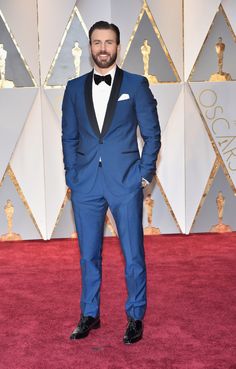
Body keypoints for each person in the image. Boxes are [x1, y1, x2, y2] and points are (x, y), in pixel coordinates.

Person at [62, 21, 161, 344]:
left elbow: (152, 135)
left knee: (133, 254)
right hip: (86, 185)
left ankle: (135, 316)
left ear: (118, 47)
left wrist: (143, 175)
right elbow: (69, 136)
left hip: (125, 182)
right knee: (88, 254)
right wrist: (72, 175)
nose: (102, 48)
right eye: (97, 42)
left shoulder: (137, 84)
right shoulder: (74, 88)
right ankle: (90, 313)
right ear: (90, 46)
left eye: (108, 42)